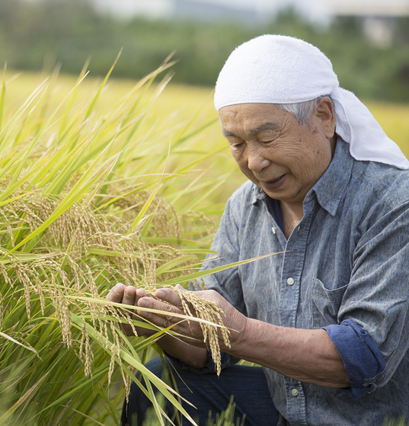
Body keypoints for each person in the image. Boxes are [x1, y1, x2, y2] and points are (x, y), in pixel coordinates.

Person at [107, 35, 409, 426]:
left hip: (373, 418)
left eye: (267, 138)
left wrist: (239, 331)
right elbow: (210, 349)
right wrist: (162, 325)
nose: (254, 161)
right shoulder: (244, 207)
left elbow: (364, 358)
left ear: (324, 116)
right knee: (160, 383)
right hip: (285, 409)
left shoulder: (392, 204)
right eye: (236, 144)